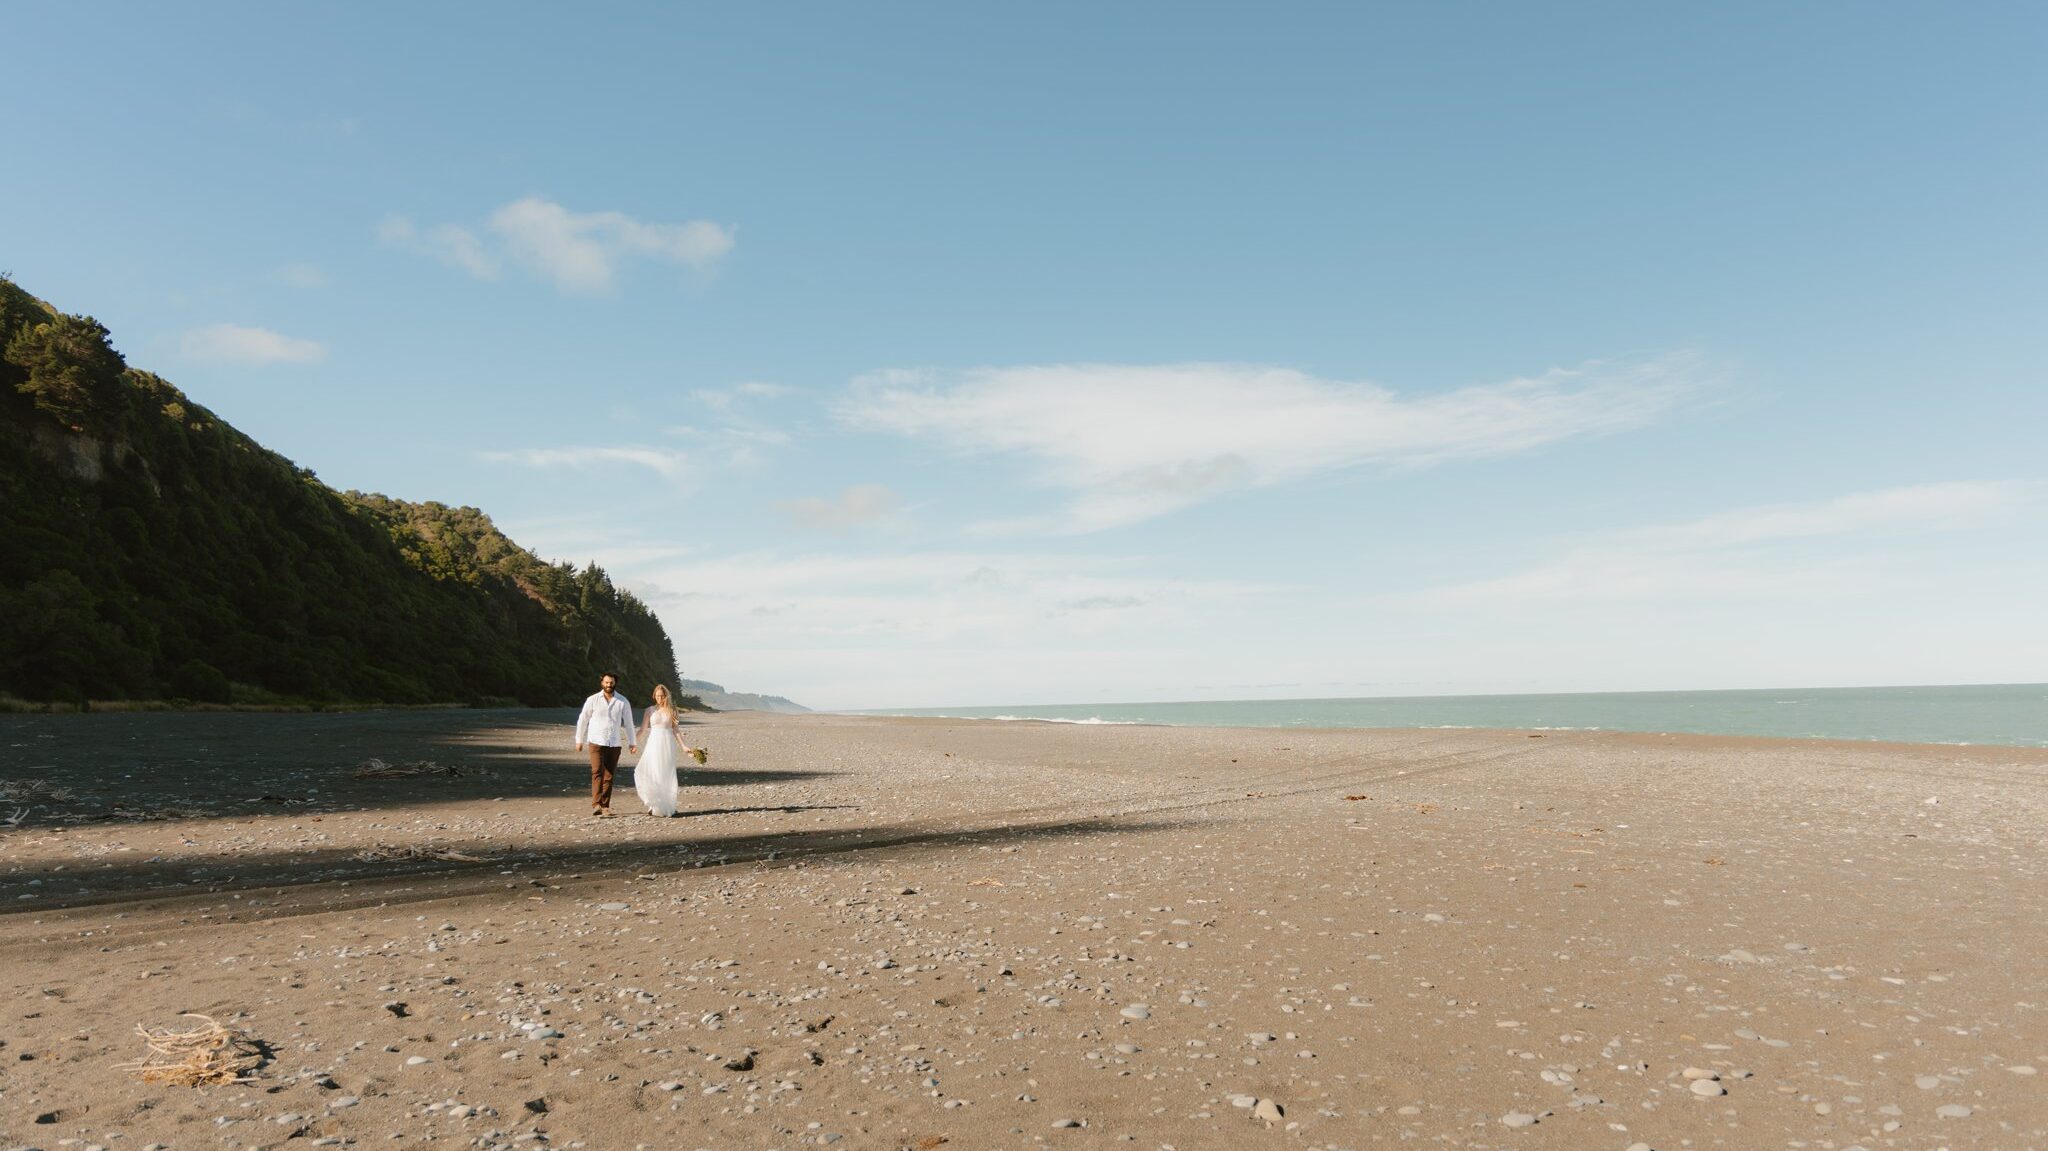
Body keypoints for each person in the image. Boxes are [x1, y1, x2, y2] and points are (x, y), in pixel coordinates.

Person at [573, 671, 637, 817]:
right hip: (596, 741)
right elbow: (583, 719)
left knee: (609, 775)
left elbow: (628, 723)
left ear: (615, 683)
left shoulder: (622, 701)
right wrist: (579, 740)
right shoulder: (593, 700)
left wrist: (632, 742)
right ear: (602, 683)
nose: (609, 685)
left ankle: (605, 806)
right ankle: (596, 804)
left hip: (614, 743)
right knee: (597, 772)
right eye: (606, 682)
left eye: (611, 682)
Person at [632, 684, 696, 818]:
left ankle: (669, 805)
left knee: (667, 773)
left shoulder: (673, 711)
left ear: (666, 696)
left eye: (662, 695)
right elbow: (643, 729)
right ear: (654, 696)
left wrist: (684, 746)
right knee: (652, 771)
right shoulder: (649, 710)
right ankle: (654, 804)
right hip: (654, 743)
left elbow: (676, 730)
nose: (660, 698)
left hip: (667, 744)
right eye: (657, 695)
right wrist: (633, 742)